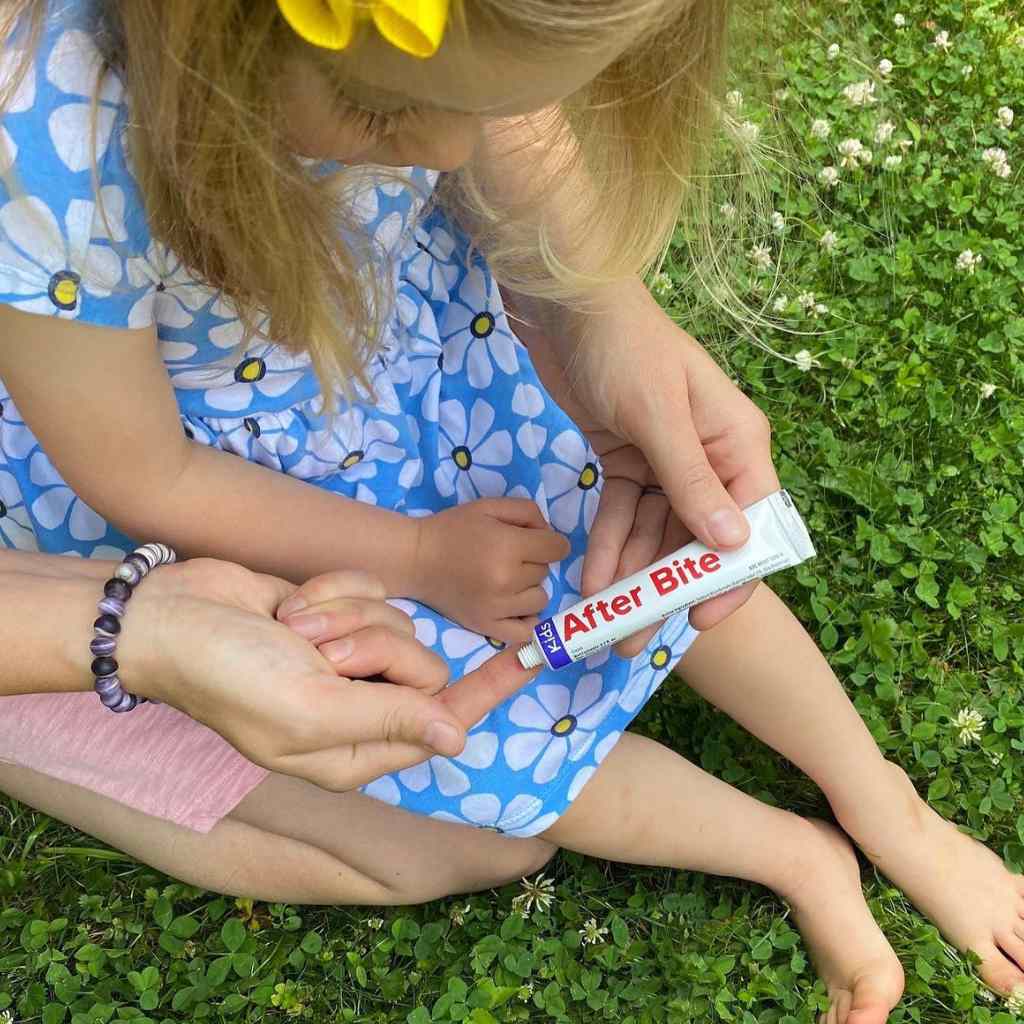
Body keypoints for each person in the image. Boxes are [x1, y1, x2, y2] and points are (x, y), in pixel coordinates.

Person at [1, 4, 1021, 1023]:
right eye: (383, 104)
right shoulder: (62, 137)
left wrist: (614, 312)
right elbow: (145, 472)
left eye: (477, 104)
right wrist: (410, 554)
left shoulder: (444, 67)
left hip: (419, 375)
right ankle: (791, 854)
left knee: (665, 549)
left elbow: (494, 119)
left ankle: (887, 806)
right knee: (464, 729)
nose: (449, 149)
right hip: (237, 505)